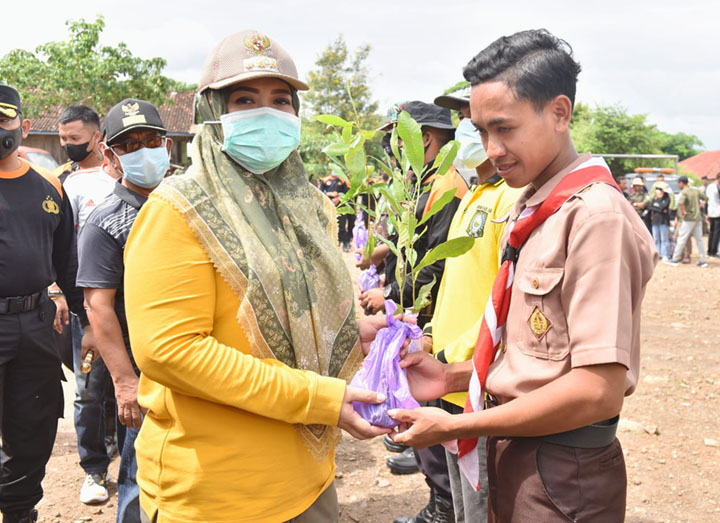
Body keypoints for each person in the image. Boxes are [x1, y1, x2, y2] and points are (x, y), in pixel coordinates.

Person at [388, 29, 657, 522]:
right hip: (516, 452)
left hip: (561, 470)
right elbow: (539, 360)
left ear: (559, 113)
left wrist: (451, 428)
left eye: (504, 128)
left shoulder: (595, 218)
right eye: (481, 132)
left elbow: (597, 389)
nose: (491, 149)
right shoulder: (534, 206)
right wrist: (449, 376)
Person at [123, 30, 390, 522]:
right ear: (211, 113)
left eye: (281, 101)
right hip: (218, 493)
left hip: (308, 480)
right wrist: (317, 397)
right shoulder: (178, 211)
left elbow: (296, 317)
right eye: (244, 100)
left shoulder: (306, 209)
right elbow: (170, 351)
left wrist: (352, 334)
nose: (267, 114)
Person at [361, 100, 468, 523]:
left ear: (422, 138)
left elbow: (435, 265)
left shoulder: (446, 188)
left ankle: (444, 506)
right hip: (411, 315)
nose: (391, 147)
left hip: (431, 319)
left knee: (435, 407)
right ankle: (438, 495)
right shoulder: (420, 185)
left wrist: (391, 294)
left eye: (395, 137)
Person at [422, 86, 522, 522]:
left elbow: (506, 300)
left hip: (475, 381)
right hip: (448, 379)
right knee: (463, 507)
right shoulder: (473, 197)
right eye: (465, 119)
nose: (469, 130)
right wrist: (430, 338)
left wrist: (452, 356)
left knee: (483, 506)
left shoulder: (508, 199)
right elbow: (455, 284)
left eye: (479, 120)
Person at [78, 99, 172, 523]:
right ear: (112, 157)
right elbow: (98, 306)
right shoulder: (106, 222)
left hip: (196, 360)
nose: (143, 151)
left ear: (167, 146)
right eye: (129, 145)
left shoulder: (186, 208)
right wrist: (124, 382)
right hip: (142, 366)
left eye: (151, 140)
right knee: (140, 472)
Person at [0, 84, 91, 523]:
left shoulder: (50, 186)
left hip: (35, 327)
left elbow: (66, 264)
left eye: (4, 119)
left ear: (24, 125)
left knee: (33, 426)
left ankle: (19, 511)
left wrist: (87, 322)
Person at [59, 105, 123, 506]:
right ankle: (94, 470)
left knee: (127, 386)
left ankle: (126, 453)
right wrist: (80, 316)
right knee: (88, 390)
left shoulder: (121, 178)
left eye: (75, 140)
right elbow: (62, 254)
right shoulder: (63, 186)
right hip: (88, 307)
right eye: (63, 140)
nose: (68, 146)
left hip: (130, 304)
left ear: (97, 138)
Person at [664, 175, 708, 267]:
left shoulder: (684, 192)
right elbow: (706, 198)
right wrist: (699, 206)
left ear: (681, 183)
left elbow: (681, 203)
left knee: (681, 239)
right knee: (699, 240)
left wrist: (683, 212)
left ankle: (675, 259)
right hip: (698, 218)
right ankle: (703, 260)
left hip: (688, 219)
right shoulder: (695, 190)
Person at [55, 105, 104, 182]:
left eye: (74, 138)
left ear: (96, 137)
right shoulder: (57, 177)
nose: (68, 144)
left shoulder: (116, 173)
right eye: (63, 138)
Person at [320, 170, 354, 251]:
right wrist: (330, 194)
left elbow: (347, 193)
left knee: (341, 225)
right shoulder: (325, 180)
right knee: (329, 224)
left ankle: (346, 243)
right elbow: (320, 192)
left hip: (340, 205)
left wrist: (338, 198)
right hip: (328, 206)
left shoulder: (342, 180)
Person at [649, 182, 672, 260]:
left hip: (663, 221)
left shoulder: (667, 198)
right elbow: (651, 207)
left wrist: (657, 207)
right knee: (656, 238)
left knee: (664, 238)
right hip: (655, 221)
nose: (658, 191)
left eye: (660, 190)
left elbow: (663, 207)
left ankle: (665, 254)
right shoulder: (654, 198)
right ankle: (658, 254)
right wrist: (659, 209)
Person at [706, 173, 720, 257]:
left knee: (711, 232)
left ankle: (710, 250)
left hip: (711, 212)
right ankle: (714, 251)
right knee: (716, 233)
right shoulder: (717, 187)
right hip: (718, 212)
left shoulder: (709, 187)